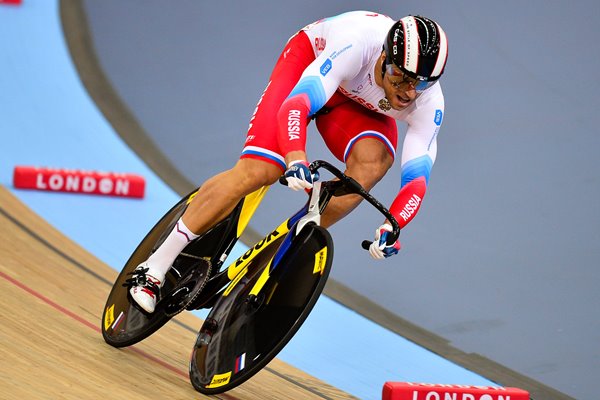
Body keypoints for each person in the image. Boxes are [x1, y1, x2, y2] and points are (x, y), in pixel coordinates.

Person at [129, 11, 448, 313]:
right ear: (383, 58)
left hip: (357, 104)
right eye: (401, 78)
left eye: (420, 84)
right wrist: (295, 158)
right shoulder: (358, 44)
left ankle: (276, 258)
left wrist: (393, 224)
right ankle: (155, 266)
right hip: (311, 63)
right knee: (262, 169)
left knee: (375, 163)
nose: (408, 92)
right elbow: (296, 106)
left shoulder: (428, 101)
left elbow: (417, 180)